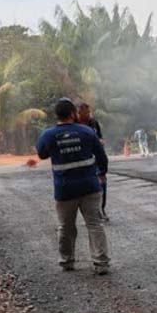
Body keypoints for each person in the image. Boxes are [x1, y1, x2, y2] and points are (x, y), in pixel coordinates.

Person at [36, 98, 110, 274]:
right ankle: (101, 263)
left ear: (57, 115)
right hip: (90, 187)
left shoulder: (48, 135)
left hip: (65, 189)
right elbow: (102, 156)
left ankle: (67, 262)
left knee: (66, 227)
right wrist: (101, 174)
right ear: (72, 114)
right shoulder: (86, 131)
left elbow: (42, 154)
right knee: (94, 224)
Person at [77, 103, 109, 221]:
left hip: (96, 158)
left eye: (88, 112)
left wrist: (100, 141)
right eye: (85, 113)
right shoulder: (74, 125)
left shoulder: (93, 122)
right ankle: (87, 213)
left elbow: (100, 136)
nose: (88, 115)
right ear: (78, 113)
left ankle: (101, 209)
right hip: (82, 160)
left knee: (102, 183)